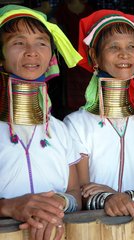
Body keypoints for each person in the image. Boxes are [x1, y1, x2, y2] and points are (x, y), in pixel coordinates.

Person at [64, 9, 134, 218]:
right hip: (97, 227)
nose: (124, 54)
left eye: (131, 46)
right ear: (94, 56)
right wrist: (110, 199)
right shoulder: (77, 125)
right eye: (113, 47)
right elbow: (81, 192)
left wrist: (118, 197)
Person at [0, 5, 82, 240]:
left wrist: (58, 203)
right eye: (18, 42)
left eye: (41, 42)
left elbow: (75, 193)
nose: (31, 51)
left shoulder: (60, 129)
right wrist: (9, 207)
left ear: (51, 57)